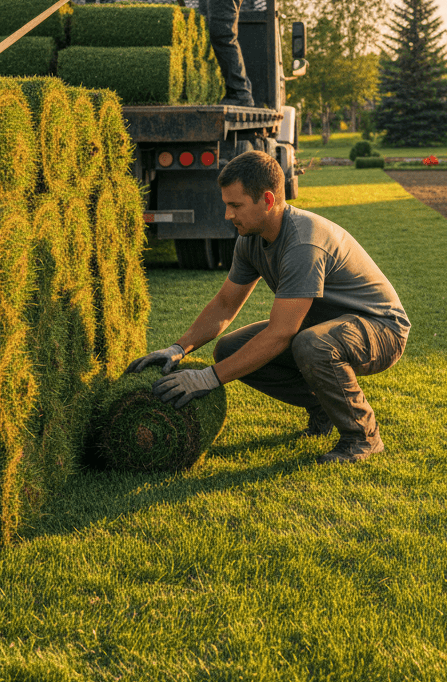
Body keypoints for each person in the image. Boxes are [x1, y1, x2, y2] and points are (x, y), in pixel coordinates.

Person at [125, 151, 410, 464]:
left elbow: (280, 334)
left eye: (236, 205)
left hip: (382, 328)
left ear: (268, 200)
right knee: (231, 348)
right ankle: (323, 407)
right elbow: (225, 304)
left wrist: (207, 378)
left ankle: (363, 438)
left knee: (310, 344)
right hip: (326, 326)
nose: (227, 215)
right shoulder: (250, 239)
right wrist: (179, 348)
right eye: (226, 204)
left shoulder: (303, 243)